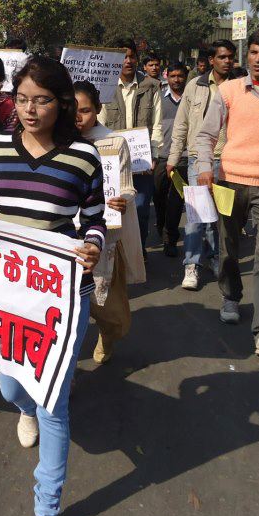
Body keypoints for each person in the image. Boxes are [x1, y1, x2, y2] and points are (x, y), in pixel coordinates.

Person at [0, 57, 104, 516]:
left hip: (63, 291)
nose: (31, 109)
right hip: (9, 290)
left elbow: (95, 219)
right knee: (12, 389)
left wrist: (94, 245)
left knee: (54, 404)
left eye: (41, 100)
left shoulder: (84, 158)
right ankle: (23, 406)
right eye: (22, 99)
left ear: (60, 104)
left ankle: (46, 510)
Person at [195, 27, 259, 361]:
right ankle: (230, 295)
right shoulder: (228, 90)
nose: (258, 59)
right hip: (230, 181)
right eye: (253, 52)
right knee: (229, 247)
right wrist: (203, 168)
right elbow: (207, 134)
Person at [73, 80, 145, 364]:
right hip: (67, 231)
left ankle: (107, 333)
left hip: (104, 233)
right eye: (72, 110)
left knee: (106, 305)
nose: (78, 118)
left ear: (98, 109)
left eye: (86, 110)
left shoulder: (114, 141)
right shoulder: (57, 139)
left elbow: (127, 187)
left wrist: (122, 200)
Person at [167, 40, 236, 290]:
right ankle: (192, 265)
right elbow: (181, 125)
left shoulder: (239, 87)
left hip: (229, 161)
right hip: (198, 159)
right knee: (196, 217)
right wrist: (174, 158)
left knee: (220, 218)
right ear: (211, 60)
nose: (227, 61)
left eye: (230, 57)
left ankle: (216, 259)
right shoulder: (194, 86)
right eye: (222, 57)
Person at [98, 42, 163, 250]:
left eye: (131, 56)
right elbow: (99, 123)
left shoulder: (150, 85)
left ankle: (139, 249)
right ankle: (115, 253)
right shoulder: (104, 86)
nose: (128, 61)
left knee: (142, 208)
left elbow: (158, 124)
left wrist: (154, 154)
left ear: (137, 58)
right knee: (114, 208)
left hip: (142, 161)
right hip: (112, 160)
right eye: (123, 57)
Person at [152, 62, 189, 257]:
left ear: (186, 76)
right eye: (173, 76)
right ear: (167, 77)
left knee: (176, 201)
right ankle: (160, 223)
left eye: (180, 76)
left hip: (182, 158)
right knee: (158, 196)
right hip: (160, 157)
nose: (176, 80)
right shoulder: (158, 98)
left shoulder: (191, 100)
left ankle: (170, 239)